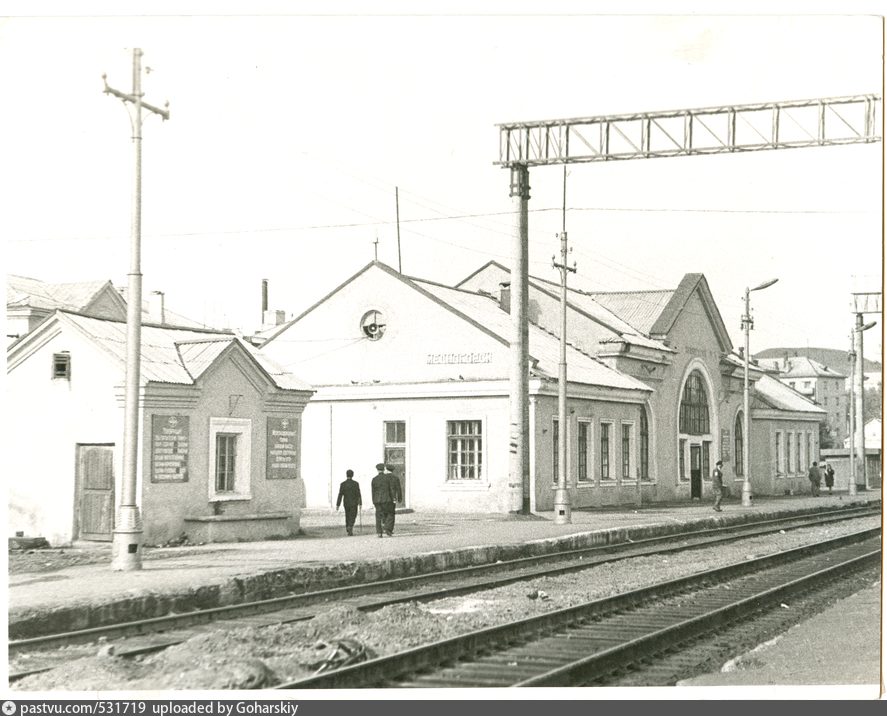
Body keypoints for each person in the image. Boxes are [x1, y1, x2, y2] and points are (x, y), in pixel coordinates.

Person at [371, 463, 398, 538]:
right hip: (387, 499)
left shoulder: (374, 479)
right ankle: (388, 530)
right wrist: (393, 498)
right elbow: (391, 489)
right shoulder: (387, 478)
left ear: (377, 470)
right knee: (390, 514)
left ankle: (379, 532)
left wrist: (373, 501)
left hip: (377, 501)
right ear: (384, 469)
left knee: (378, 516)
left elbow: (373, 491)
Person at [335, 469, 362, 536]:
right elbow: (358, 494)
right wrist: (360, 503)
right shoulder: (356, 484)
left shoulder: (343, 484)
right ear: (352, 475)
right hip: (354, 503)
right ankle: (350, 526)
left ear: (346, 475)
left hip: (346, 503)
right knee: (353, 515)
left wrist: (338, 504)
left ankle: (348, 527)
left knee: (347, 515)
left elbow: (340, 494)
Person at [382, 464, 403, 536]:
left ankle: (384, 525)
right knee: (391, 513)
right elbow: (398, 489)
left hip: (384, 498)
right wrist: (399, 498)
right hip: (392, 498)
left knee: (384, 512)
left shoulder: (383, 478)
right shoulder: (395, 478)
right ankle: (389, 529)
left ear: (386, 469)